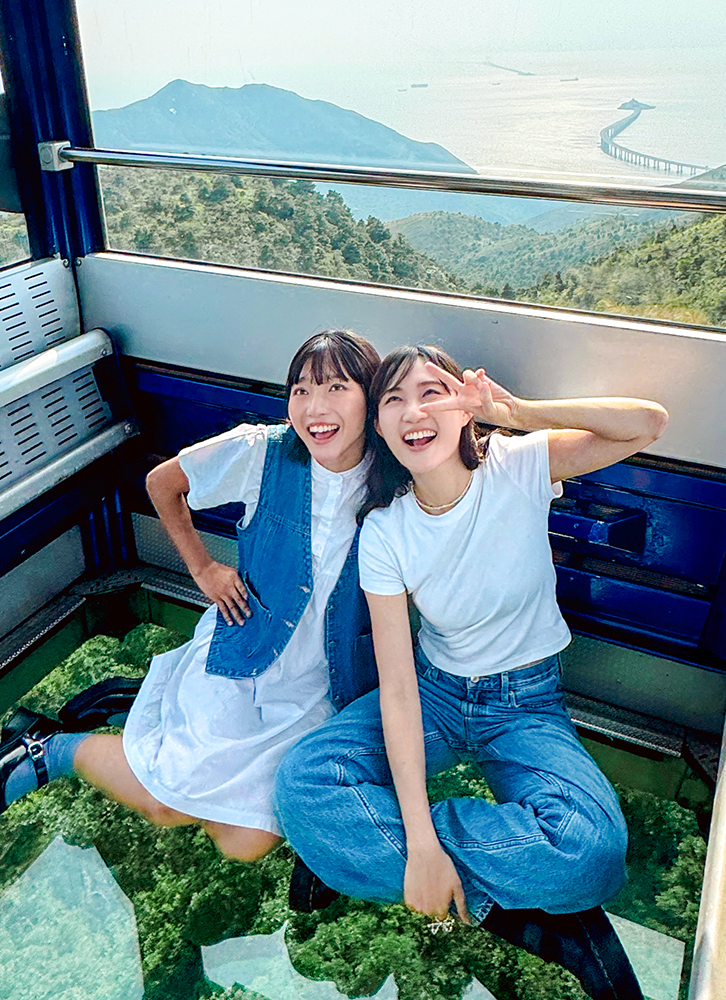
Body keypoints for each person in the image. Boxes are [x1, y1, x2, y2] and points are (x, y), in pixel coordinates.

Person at [276, 345, 668, 1000]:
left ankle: (359, 852)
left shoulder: (515, 467)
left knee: (591, 849)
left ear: (462, 409)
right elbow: (398, 690)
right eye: (393, 400)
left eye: (432, 393)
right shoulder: (386, 533)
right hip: (433, 694)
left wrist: (513, 411)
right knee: (300, 787)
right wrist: (422, 845)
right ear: (379, 427)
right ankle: (516, 914)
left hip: (525, 704)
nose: (412, 411)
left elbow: (647, 422)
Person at [0, 330, 382, 861]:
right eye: (300, 390)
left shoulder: (394, 476)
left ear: (372, 395)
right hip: (246, 656)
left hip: (318, 682)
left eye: (336, 388)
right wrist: (203, 569)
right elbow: (161, 483)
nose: (315, 408)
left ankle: (142, 711)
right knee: (167, 806)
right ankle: (49, 749)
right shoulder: (262, 452)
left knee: (241, 844)